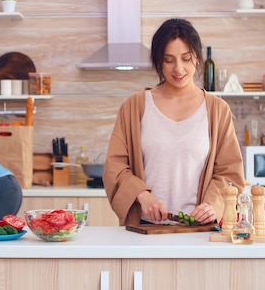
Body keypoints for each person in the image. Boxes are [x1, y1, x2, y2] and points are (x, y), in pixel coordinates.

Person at [103, 18, 245, 226]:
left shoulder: (217, 110)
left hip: (199, 230)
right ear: (158, 62)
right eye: (169, 60)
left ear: (197, 58)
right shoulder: (135, 106)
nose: (178, 68)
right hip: (145, 229)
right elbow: (115, 167)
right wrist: (142, 195)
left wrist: (214, 204)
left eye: (186, 58)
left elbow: (230, 172)